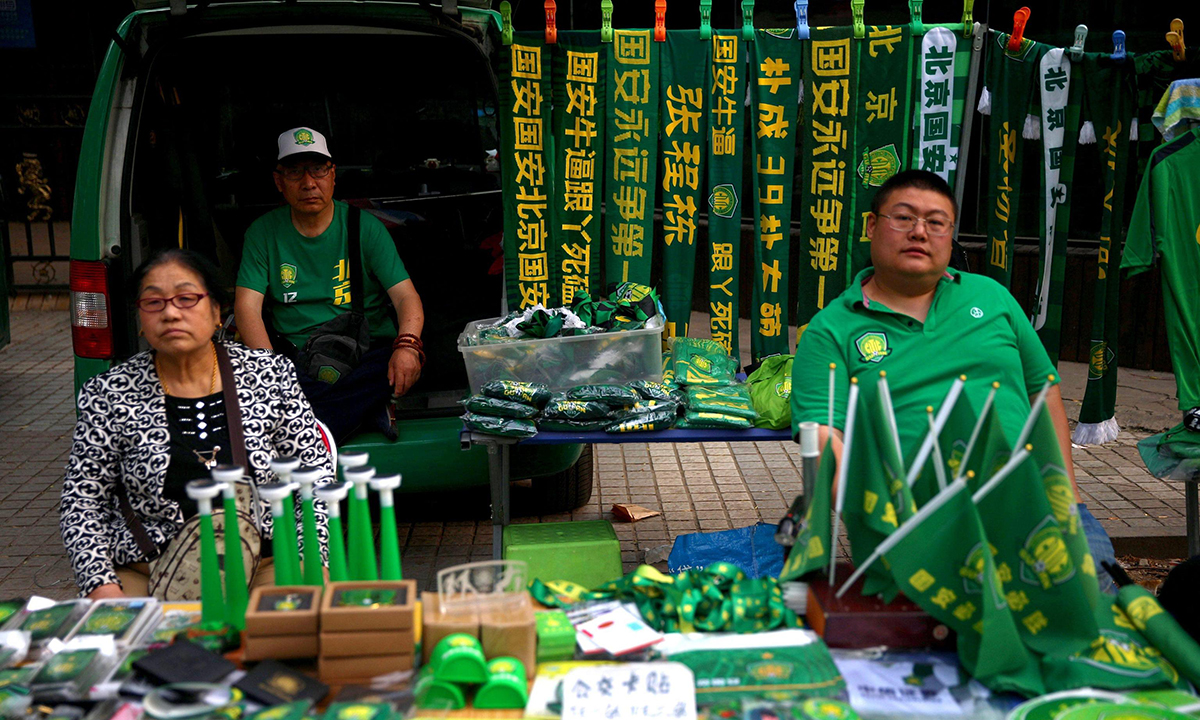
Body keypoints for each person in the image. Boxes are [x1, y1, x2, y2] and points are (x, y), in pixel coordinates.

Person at [789, 169, 1118, 589]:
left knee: (1093, 601)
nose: (919, 232)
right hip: (919, 530)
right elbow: (825, 444)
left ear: (950, 234)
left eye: (936, 222)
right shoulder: (829, 332)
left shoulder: (992, 297)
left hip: (1039, 511)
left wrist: (1066, 493)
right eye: (903, 218)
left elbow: (1043, 389)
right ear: (871, 226)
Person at [61, 249, 334, 599]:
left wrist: (312, 559)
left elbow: (315, 477)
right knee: (121, 632)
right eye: (154, 302)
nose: (171, 312)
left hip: (263, 565)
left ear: (217, 311)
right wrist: (101, 585)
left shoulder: (269, 374)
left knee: (292, 621)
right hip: (152, 571)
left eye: (186, 298)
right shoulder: (109, 393)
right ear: (140, 318)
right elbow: (82, 500)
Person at [234, 126, 425, 442]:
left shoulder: (365, 227)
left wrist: (407, 345)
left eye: (318, 169)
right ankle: (363, 411)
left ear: (333, 175)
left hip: (364, 353)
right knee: (257, 381)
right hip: (295, 355)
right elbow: (246, 307)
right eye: (295, 172)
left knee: (388, 369)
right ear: (279, 181)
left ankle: (304, 429)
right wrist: (270, 372)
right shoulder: (262, 233)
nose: (309, 182)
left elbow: (405, 296)